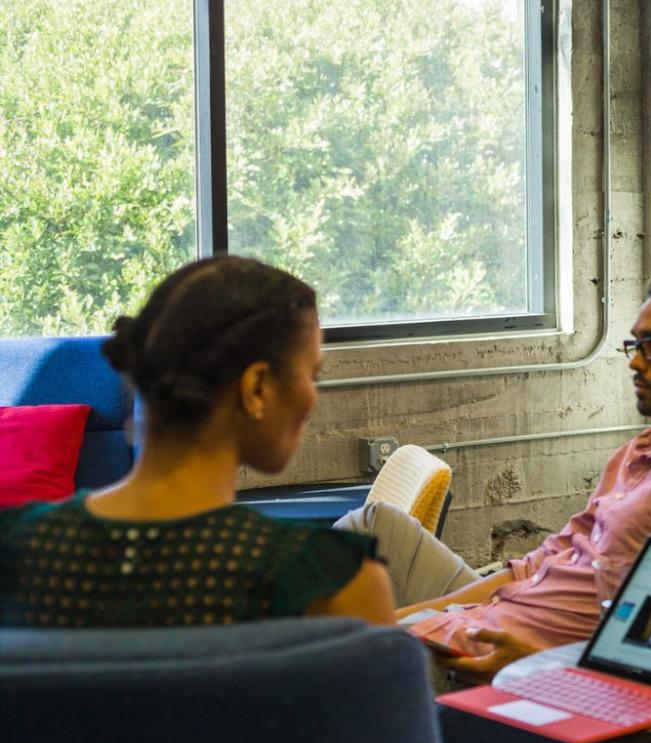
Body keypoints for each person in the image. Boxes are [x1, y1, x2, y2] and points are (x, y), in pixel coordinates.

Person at [333, 270, 651, 681]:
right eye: (634, 345)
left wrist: (538, 664)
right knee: (370, 527)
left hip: (515, 668)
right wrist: (427, 615)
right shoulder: (642, 449)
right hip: (494, 619)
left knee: (330, 670)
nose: (635, 362)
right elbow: (543, 560)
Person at [0, 256, 393, 629]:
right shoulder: (335, 584)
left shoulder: (14, 548)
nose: (312, 398)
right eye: (312, 375)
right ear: (256, 388)